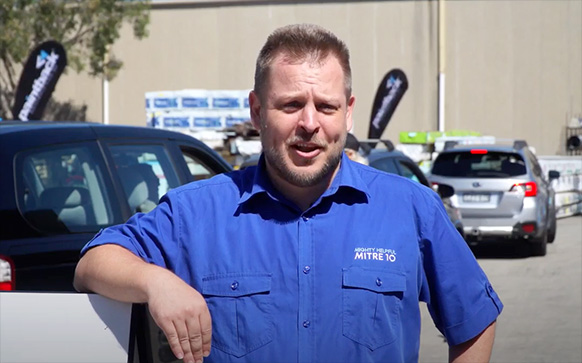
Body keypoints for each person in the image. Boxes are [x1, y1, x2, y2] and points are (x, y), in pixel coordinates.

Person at [74, 24, 502, 363]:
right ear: (257, 112)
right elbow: (92, 263)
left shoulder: (410, 209)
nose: (310, 123)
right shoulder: (197, 213)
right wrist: (156, 282)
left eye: (327, 107)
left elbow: (475, 319)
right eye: (291, 105)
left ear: (349, 112)